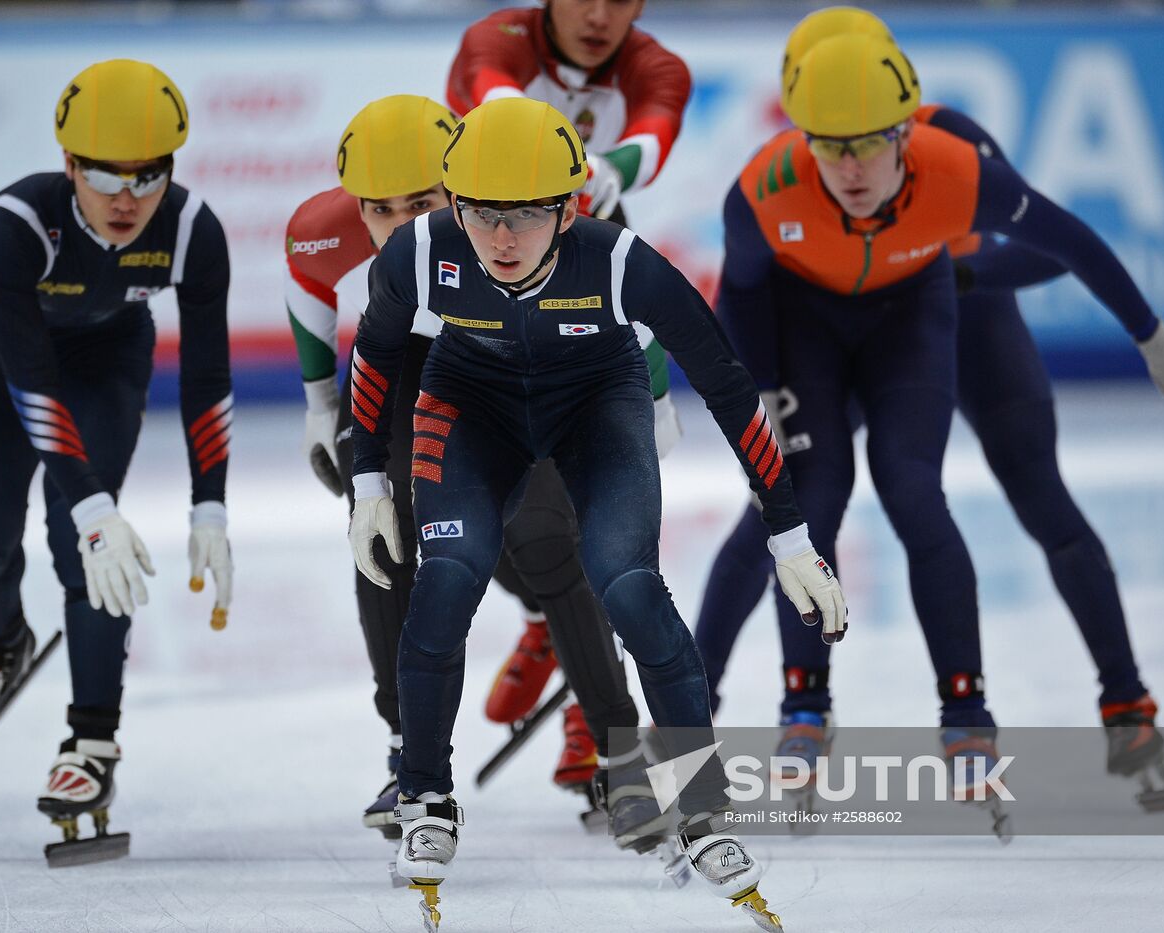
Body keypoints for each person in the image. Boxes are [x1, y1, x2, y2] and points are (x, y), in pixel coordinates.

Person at [694, 7, 1164, 796]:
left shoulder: (957, 153)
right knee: (792, 506)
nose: (847, 159)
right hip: (822, 327)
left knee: (1007, 490)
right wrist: (763, 395)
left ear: (900, 115)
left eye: (869, 133)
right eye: (826, 135)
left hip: (959, 315)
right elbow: (739, 293)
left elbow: (1060, 248)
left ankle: (1123, 699)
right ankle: (738, 703)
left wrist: (1148, 333)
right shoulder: (776, 181)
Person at [347, 97, 844, 930]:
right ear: (455, 202)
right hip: (472, 401)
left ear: (571, 207)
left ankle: (701, 808)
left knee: (630, 588)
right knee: (448, 576)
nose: (501, 240)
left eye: (527, 217)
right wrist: (368, 486)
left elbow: (727, 385)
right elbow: (376, 350)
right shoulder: (423, 248)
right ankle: (427, 794)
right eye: (481, 214)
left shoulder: (620, 263)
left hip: (595, 403)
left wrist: (788, 533)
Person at [283, 94, 652, 838]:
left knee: (545, 538)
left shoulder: (516, 216)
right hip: (400, 366)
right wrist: (321, 405)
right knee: (385, 536)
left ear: (461, 190)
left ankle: (621, 746)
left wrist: (647, 404)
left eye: (420, 202)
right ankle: (403, 744)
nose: (397, 225)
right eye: (377, 209)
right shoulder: (319, 235)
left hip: (515, 358)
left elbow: (626, 293)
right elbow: (313, 306)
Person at [0, 59, 234, 843]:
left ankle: (92, 739)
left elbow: (206, 377)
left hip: (106, 364)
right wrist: (93, 500)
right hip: (4, 368)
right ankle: (2, 645)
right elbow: (31, 383)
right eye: (106, 174)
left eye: (150, 175)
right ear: (69, 164)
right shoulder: (13, 225)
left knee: (86, 545)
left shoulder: (194, 230)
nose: (128, 197)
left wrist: (211, 500)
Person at [446, 0, 692, 767]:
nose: (597, 13)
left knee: (591, 504)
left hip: (579, 272)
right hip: (485, 269)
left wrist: (650, 390)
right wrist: (564, 176)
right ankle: (554, 618)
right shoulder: (497, 38)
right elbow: (497, 98)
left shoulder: (658, 68)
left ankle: (597, 683)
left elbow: (651, 139)